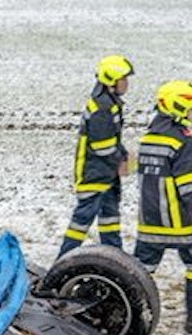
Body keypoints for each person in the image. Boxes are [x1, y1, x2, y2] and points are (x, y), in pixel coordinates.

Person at [133, 80, 192, 333]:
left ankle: (126, 314)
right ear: (179, 107)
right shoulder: (182, 142)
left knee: (139, 272)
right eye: (191, 108)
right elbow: (189, 186)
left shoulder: (149, 137)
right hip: (179, 224)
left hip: (149, 222)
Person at [57, 55, 135, 257]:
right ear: (111, 81)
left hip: (104, 174)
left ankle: (116, 259)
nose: (127, 84)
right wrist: (121, 159)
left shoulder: (110, 104)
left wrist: (123, 155)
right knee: (81, 222)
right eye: (123, 79)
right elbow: (102, 146)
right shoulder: (102, 108)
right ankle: (64, 260)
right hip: (93, 175)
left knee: (110, 221)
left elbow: (112, 141)